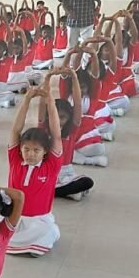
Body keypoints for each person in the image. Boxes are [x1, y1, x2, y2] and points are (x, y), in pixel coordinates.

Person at [7, 86, 63, 256]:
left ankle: (33, 245)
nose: (30, 154)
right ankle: (27, 245)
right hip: (16, 218)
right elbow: (16, 130)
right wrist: (26, 99)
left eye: (36, 150)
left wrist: (51, 103)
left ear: (45, 151)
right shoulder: (15, 160)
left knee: (49, 230)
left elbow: (56, 134)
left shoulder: (51, 166)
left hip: (39, 221)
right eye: (27, 149)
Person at [42, 68, 95, 200]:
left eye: (62, 117)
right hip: (47, 173)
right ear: (49, 117)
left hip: (66, 172)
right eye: (55, 116)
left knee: (87, 182)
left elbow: (77, 103)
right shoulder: (44, 129)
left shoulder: (71, 130)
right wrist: (47, 78)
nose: (58, 120)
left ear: (68, 119)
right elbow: (44, 101)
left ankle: (60, 190)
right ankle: (66, 191)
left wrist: (74, 77)